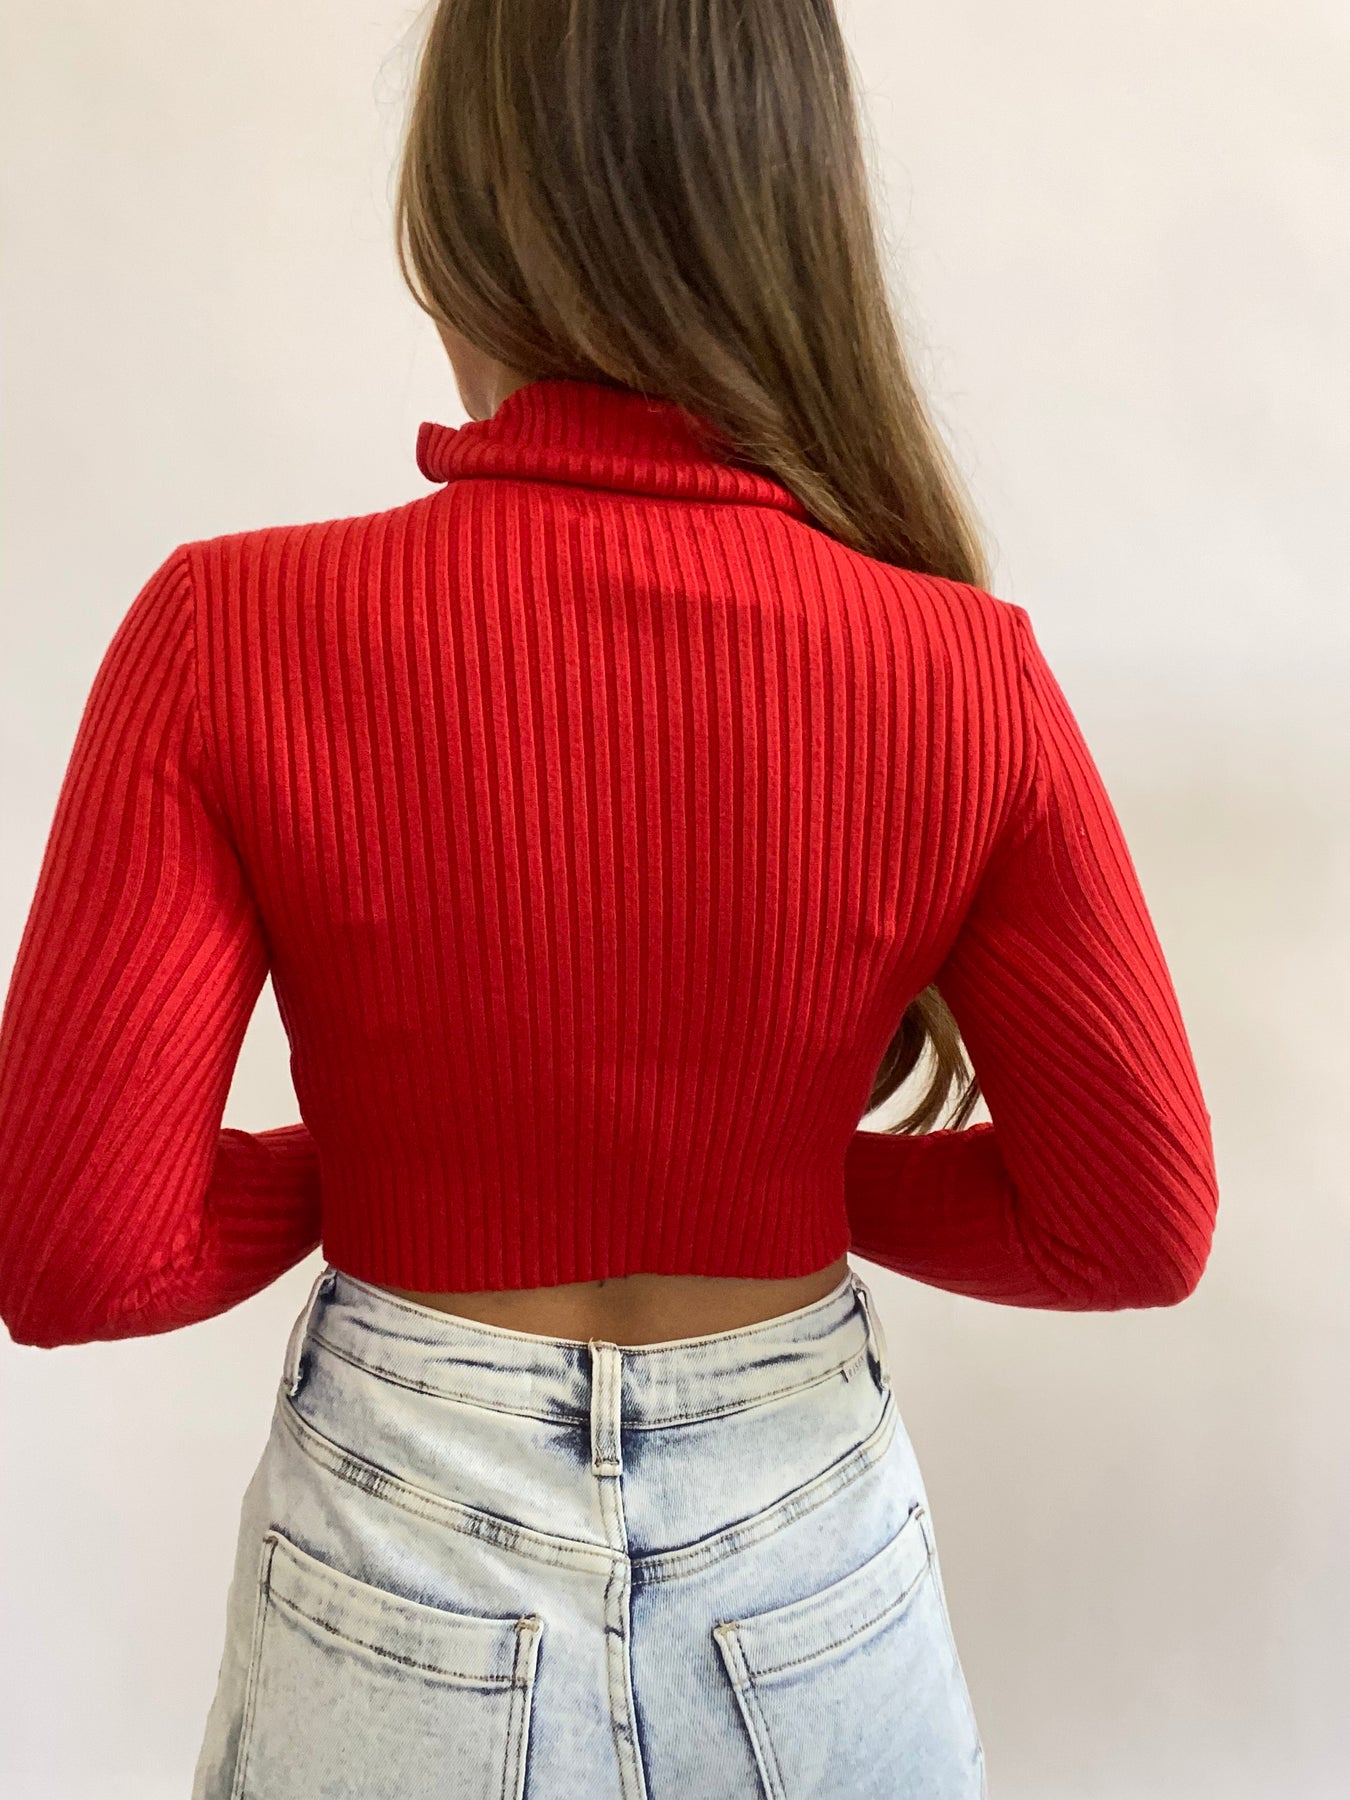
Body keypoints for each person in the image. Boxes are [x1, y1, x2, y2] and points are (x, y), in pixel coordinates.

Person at [0, 1, 1220, 1794]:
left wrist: (434, 1158)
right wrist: (750, 1167)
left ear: (457, 212)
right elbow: (1131, 1230)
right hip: (806, 1545)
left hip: (400, 1542)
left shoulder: (228, 632)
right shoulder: (967, 670)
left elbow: (78, 1256)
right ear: (797, 216)